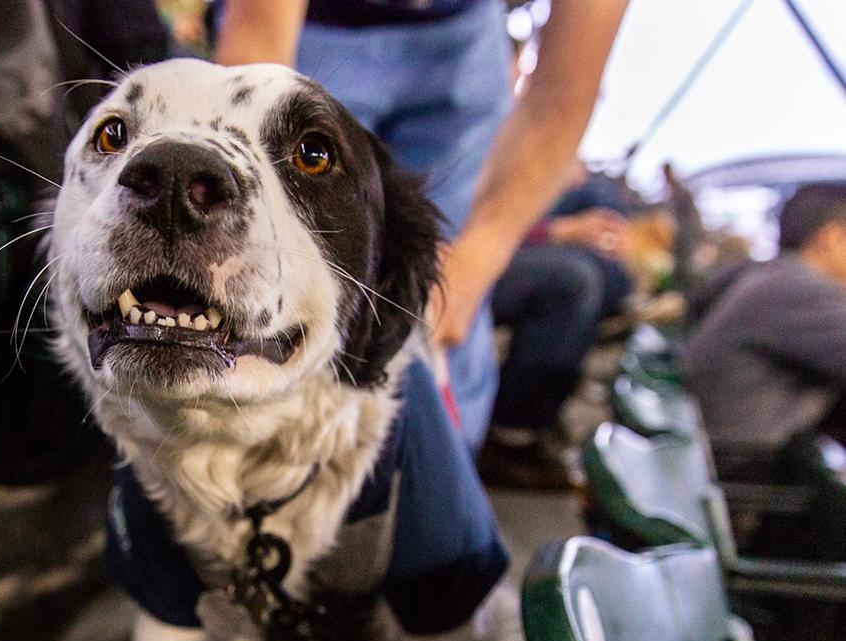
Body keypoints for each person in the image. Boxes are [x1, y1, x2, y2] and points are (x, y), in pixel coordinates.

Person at [213, 0, 628, 451]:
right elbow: (257, 47)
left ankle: (436, 464)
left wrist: (475, 259)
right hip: (312, 29)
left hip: (462, 34)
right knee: (267, 299)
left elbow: (559, 101)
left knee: (446, 367)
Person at [478, 166, 635, 490]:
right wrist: (557, 230)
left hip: (498, 225)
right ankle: (511, 436)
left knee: (603, 256)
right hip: (465, 245)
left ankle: (551, 390)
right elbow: (459, 215)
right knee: (575, 280)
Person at [681, 183, 846, 457]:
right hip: (748, 469)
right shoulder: (805, 291)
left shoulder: (773, 277)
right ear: (833, 238)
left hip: (719, 455)